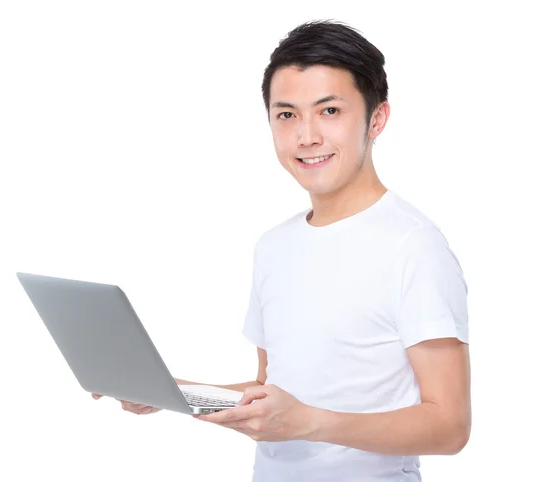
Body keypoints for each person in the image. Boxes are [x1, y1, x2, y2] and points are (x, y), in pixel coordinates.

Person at [93, 19, 471, 482]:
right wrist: (169, 392)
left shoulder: (415, 246)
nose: (306, 135)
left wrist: (309, 422)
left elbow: (449, 426)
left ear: (377, 118)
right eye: (286, 114)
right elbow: (272, 394)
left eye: (329, 111)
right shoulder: (274, 246)